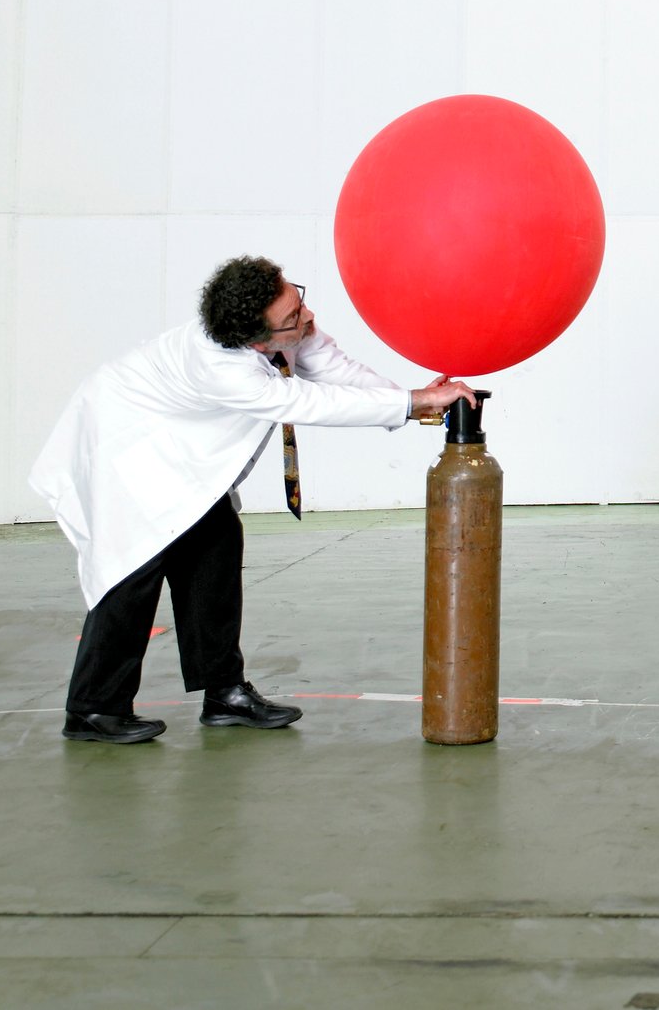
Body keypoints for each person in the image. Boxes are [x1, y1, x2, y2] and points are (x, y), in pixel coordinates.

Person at [29, 254, 476, 745]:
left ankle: (224, 693)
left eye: (298, 300)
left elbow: (331, 366)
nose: (307, 317)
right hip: (123, 447)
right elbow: (305, 401)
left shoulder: (285, 326)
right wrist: (411, 403)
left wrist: (410, 399)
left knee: (215, 544)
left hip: (177, 452)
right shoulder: (221, 367)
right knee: (132, 570)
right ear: (257, 340)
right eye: (293, 317)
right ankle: (93, 708)